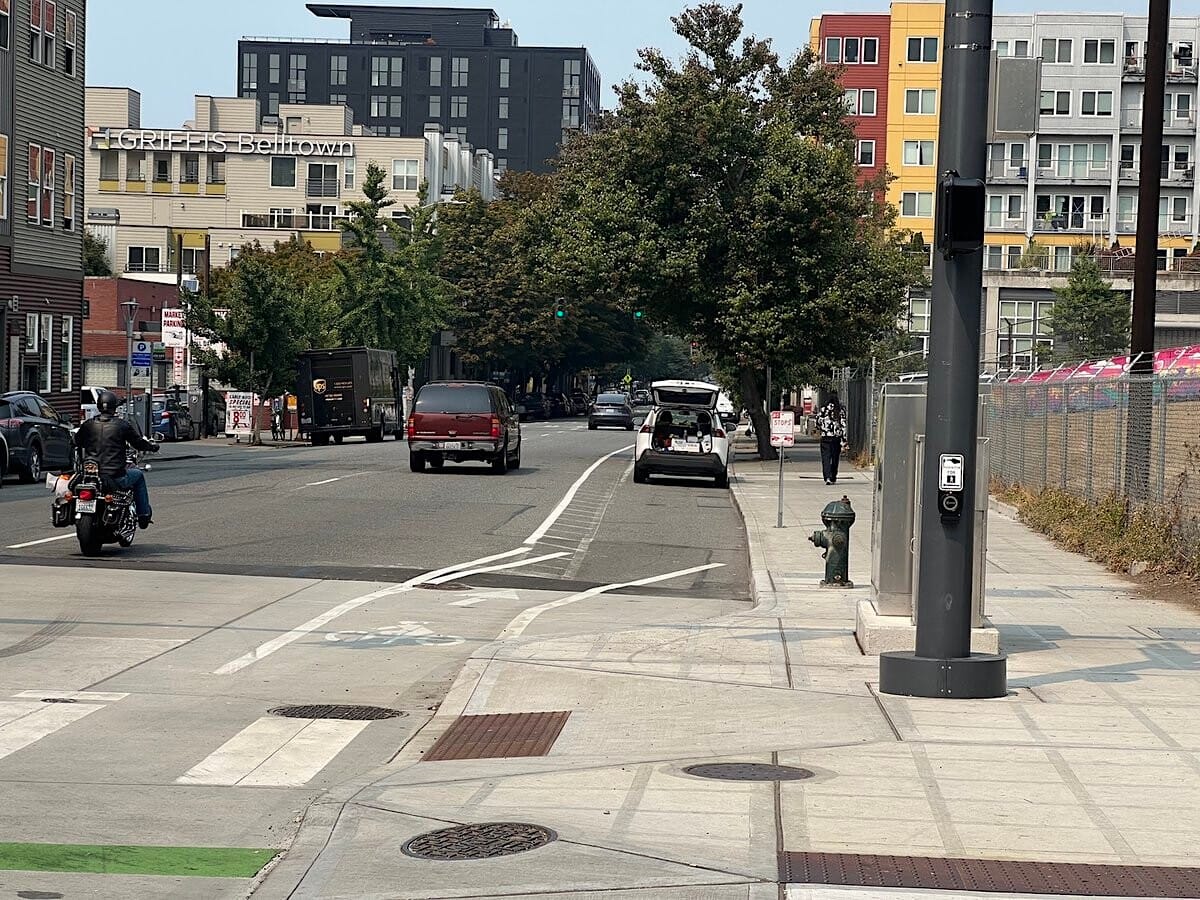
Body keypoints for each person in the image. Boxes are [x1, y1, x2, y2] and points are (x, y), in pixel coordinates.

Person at [73, 390, 159, 528]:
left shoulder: (88, 424)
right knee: (138, 475)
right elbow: (138, 443)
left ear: (99, 405)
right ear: (114, 407)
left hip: (90, 476)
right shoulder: (122, 425)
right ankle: (143, 515)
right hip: (114, 476)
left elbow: (76, 441)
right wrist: (152, 447)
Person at [816, 393, 847, 485]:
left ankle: (827, 477)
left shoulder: (823, 410)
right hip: (836, 438)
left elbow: (817, 422)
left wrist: (821, 429)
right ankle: (833, 476)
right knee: (835, 458)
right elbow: (843, 426)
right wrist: (844, 440)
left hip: (825, 437)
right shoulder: (840, 410)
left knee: (825, 458)